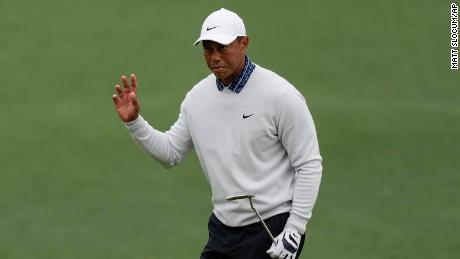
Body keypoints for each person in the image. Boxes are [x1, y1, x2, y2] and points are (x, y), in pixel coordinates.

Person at [112, 8, 322, 259]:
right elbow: (170, 153)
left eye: (222, 48)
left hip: (270, 228)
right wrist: (135, 122)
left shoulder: (281, 96)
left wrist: (295, 229)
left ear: (244, 43)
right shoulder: (197, 98)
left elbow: (308, 164)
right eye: (208, 49)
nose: (214, 57)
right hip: (223, 229)